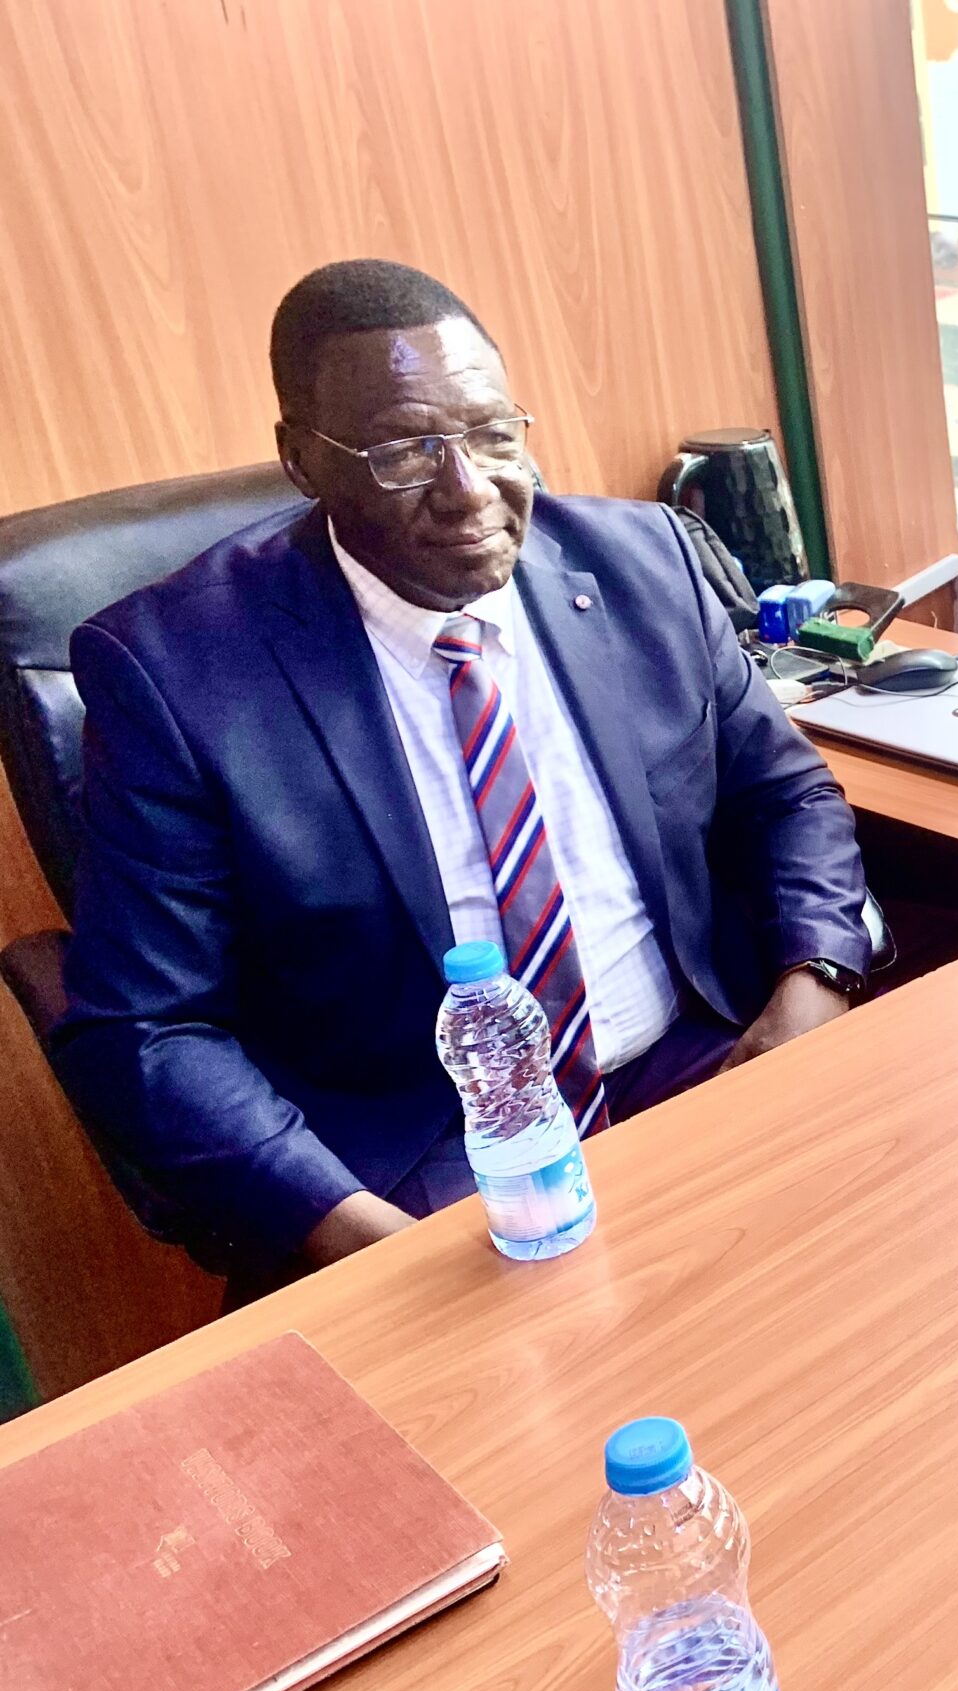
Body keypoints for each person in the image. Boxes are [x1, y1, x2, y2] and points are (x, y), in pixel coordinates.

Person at [54, 260, 872, 1290]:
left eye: (493, 434)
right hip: (420, 1152)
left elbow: (786, 796)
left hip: (695, 1064)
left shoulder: (647, 565)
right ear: (303, 460)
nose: (469, 490)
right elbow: (145, 1027)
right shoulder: (176, 671)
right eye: (405, 450)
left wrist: (814, 983)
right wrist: (352, 1231)